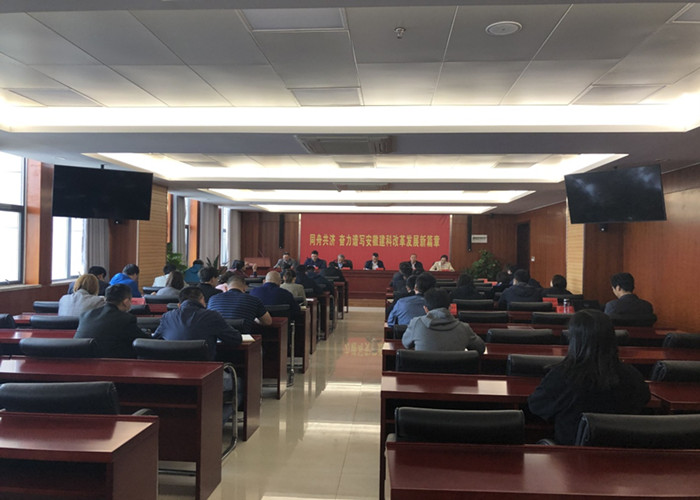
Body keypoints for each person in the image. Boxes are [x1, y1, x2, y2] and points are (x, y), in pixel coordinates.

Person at [528, 309, 650, 445]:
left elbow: (536, 406)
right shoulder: (633, 376)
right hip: (620, 455)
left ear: (574, 340)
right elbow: (644, 399)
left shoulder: (563, 375)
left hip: (570, 455)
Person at [154, 286, 242, 360]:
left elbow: (155, 340)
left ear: (179, 304)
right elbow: (236, 339)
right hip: (206, 371)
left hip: (173, 369)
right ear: (202, 300)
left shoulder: (167, 316)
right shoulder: (212, 316)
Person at [74, 284, 150, 358]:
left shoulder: (85, 315)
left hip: (79, 361)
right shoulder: (126, 319)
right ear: (126, 302)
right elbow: (145, 342)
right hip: (110, 363)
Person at [402, 288, 485, 353]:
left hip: (424, 370)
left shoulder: (416, 323)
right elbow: (481, 348)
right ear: (450, 308)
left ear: (426, 309)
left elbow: (406, 344)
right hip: (455, 370)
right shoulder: (464, 328)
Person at [207, 274, 272, 332]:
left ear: (226, 287)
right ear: (245, 288)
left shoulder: (212, 299)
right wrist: (254, 319)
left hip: (216, 339)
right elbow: (268, 322)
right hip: (243, 339)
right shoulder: (253, 300)